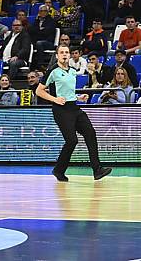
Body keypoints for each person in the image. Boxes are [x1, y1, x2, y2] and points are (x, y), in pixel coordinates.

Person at [35, 45, 112, 182]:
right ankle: (59, 170)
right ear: (57, 55)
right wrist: (55, 99)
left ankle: (97, 169)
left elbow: (68, 91)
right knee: (72, 141)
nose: (64, 55)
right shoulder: (53, 71)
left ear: (69, 55)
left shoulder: (72, 71)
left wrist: (78, 97)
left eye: (66, 52)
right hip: (61, 110)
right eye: (61, 52)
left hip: (74, 107)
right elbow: (39, 91)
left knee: (90, 133)